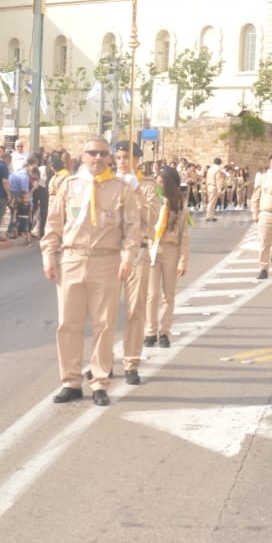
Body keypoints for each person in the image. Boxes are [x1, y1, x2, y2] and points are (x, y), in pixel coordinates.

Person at [42, 138, 139, 406]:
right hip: (72, 259)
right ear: (82, 156)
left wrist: (128, 257)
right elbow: (53, 224)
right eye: (92, 153)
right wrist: (48, 255)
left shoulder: (121, 189)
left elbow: (132, 228)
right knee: (68, 325)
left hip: (106, 261)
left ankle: (99, 381)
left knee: (104, 324)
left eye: (102, 153)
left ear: (109, 158)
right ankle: (71, 381)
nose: (97, 157)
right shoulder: (69, 186)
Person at [116, 148, 159, 385]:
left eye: (127, 158)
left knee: (134, 309)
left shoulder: (149, 186)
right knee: (106, 312)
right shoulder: (110, 183)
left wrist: (136, 191)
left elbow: (151, 216)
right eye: (119, 158)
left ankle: (131, 362)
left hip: (138, 251)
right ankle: (101, 362)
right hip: (111, 252)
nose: (122, 163)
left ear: (137, 161)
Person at [144, 165, 191, 350]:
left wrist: (183, 260)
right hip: (152, 248)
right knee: (151, 294)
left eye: (162, 181)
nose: (158, 183)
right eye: (158, 180)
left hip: (171, 250)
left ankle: (164, 332)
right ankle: (150, 331)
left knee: (168, 295)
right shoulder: (152, 200)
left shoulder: (178, 204)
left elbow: (184, 235)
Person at [203, 157, 224, 221]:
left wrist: (206, 187)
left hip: (209, 185)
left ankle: (212, 215)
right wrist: (219, 190)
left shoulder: (210, 169)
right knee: (212, 201)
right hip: (214, 186)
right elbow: (218, 180)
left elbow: (207, 178)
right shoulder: (218, 170)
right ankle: (209, 215)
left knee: (211, 201)